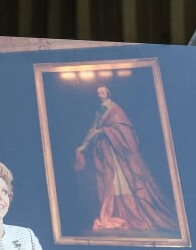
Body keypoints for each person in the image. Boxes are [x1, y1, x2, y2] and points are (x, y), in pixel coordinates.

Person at [75, 85, 178, 233]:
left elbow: (124, 129)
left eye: (102, 92)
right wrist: (84, 145)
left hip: (119, 152)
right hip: (107, 152)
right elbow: (93, 129)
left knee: (126, 179)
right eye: (98, 93)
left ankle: (134, 213)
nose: (100, 95)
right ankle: (117, 212)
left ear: (108, 94)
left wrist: (104, 131)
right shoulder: (100, 110)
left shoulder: (115, 110)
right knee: (112, 182)